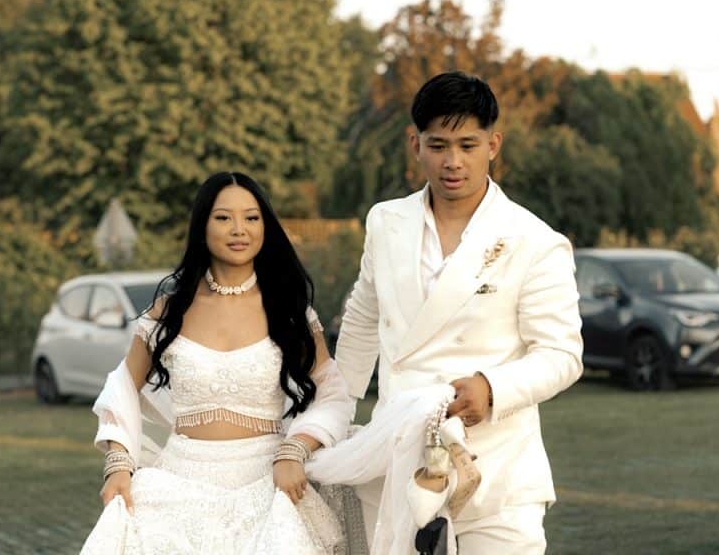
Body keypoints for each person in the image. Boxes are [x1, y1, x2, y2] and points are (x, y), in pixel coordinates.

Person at [335, 71, 584, 554]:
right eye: (439, 144)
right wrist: (334, 420)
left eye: (468, 145)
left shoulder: (534, 240)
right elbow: (363, 325)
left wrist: (492, 389)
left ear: (493, 145)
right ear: (415, 144)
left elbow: (561, 354)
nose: (453, 161)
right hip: (396, 465)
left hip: (497, 473)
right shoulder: (385, 222)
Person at [80, 172, 356, 555]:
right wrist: (118, 464)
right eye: (224, 217)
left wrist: (295, 450)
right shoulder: (169, 310)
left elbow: (333, 393)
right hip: (178, 483)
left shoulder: (290, 312)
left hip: (267, 481)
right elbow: (123, 385)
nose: (239, 229)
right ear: (202, 226)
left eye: (252, 218)